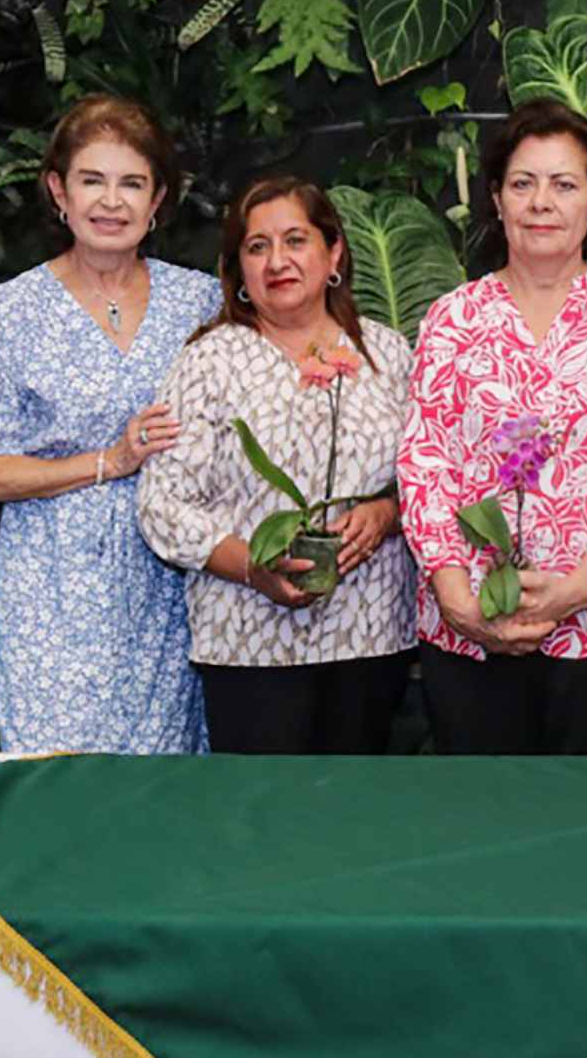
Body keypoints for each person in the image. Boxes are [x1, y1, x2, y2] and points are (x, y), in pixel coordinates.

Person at [397, 99, 587, 755]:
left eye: (564, 184)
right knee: (485, 806)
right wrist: (457, 598)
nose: (541, 203)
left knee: (586, 805)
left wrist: (573, 592)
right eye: (522, 183)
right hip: (470, 618)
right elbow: (424, 465)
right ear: (497, 199)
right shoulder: (452, 319)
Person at [0, 95, 220, 754]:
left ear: (158, 200)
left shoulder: (201, 301)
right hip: (49, 596)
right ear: (58, 192)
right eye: (92, 180)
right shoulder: (11, 311)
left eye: (132, 183)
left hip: (172, 594)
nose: (111, 202)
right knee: (57, 782)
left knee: (164, 784)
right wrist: (109, 462)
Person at [137, 178, 416, 754]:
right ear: (238, 269)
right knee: (261, 807)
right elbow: (161, 507)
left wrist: (387, 514)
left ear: (333, 252)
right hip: (247, 641)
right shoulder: (208, 362)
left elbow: (434, 479)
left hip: (371, 636)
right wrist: (252, 567)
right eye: (257, 247)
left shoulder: (386, 354)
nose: (277, 261)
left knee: (358, 803)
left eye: (295, 240)